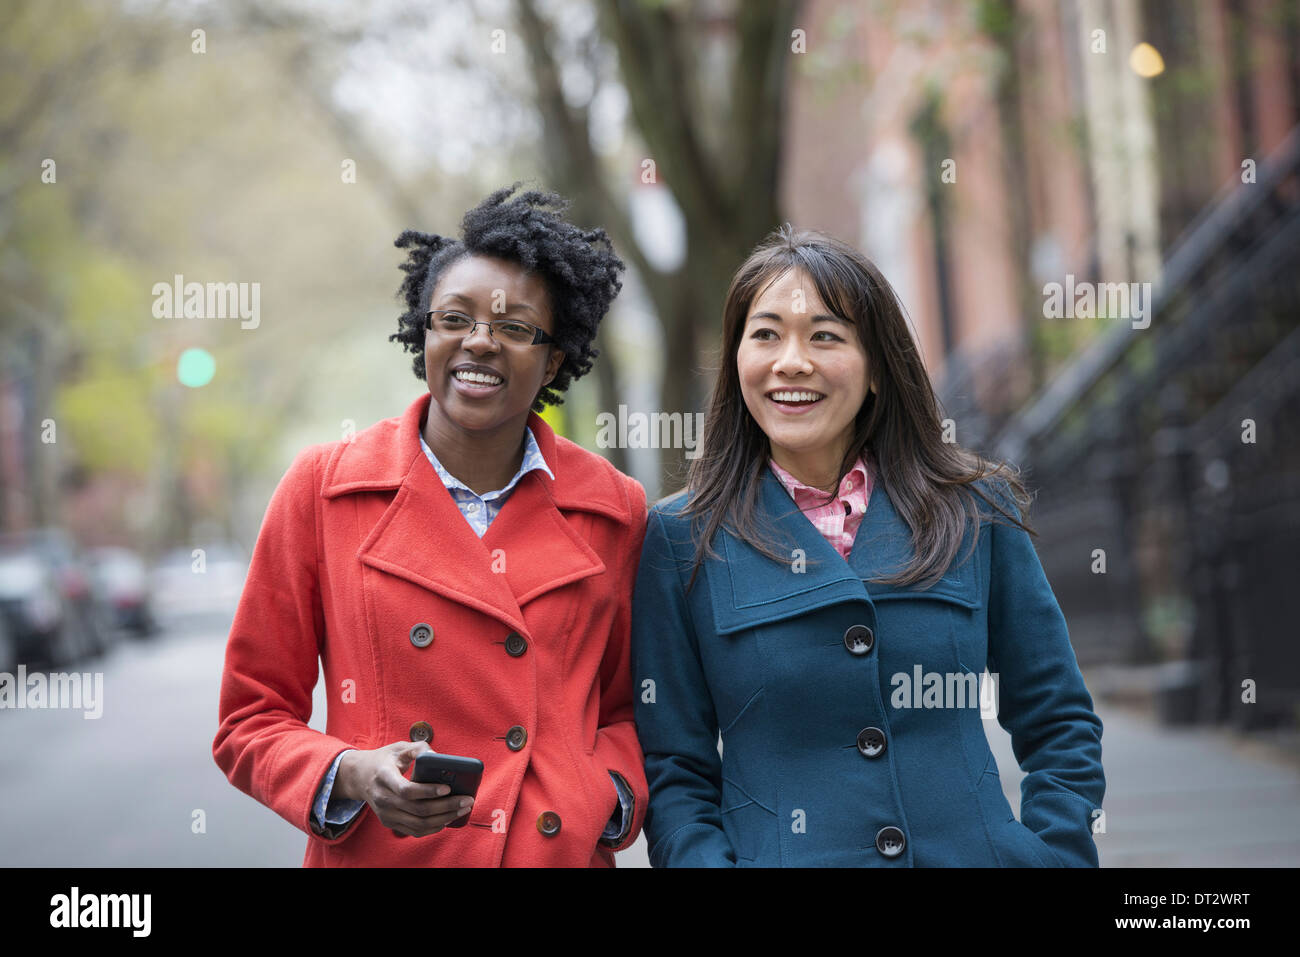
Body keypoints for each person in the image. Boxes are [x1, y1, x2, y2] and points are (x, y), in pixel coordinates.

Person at [631, 225, 1105, 867]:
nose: (790, 361)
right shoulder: (682, 537)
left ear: (878, 367)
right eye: (765, 334)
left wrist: (1058, 853)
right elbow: (676, 770)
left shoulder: (974, 508)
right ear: (737, 360)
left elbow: (1057, 718)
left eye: (825, 336)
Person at [213, 184, 649, 867]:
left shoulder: (613, 508)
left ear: (554, 359)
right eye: (456, 318)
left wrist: (601, 798)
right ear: (425, 332)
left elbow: (631, 709)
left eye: (514, 328)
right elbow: (250, 717)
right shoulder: (323, 489)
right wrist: (352, 771)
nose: (481, 341)